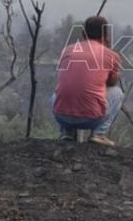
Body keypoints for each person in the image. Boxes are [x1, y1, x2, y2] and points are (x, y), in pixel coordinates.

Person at [51, 16, 123, 146]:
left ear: (83, 34)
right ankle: (98, 134)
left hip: (62, 117)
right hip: (91, 119)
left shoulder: (67, 50)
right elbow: (112, 83)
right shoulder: (111, 55)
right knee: (117, 93)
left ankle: (67, 132)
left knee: (57, 93)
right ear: (105, 35)